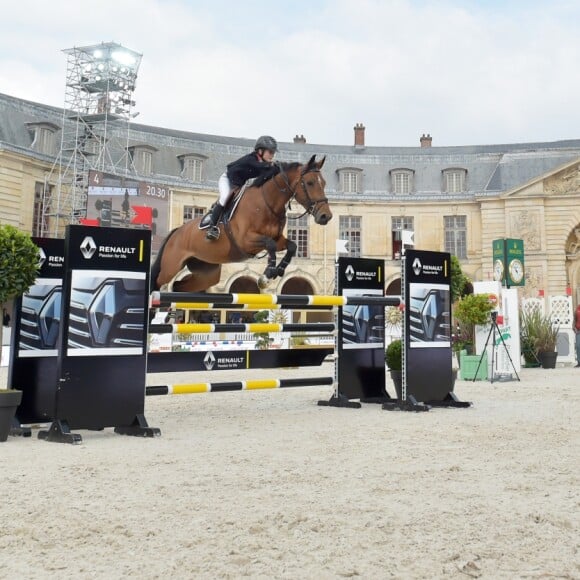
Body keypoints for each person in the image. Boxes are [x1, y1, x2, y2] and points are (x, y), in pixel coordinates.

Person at [200, 135, 279, 240]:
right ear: (260, 151)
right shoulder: (251, 158)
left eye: (273, 153)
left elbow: (267, 175)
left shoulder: (263, 163)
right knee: (224, 198)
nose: (272, 155)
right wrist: (272, 165)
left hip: (239, 184)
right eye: (270, 152)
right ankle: (212, 227)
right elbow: (258, 166)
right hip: (227, 180)